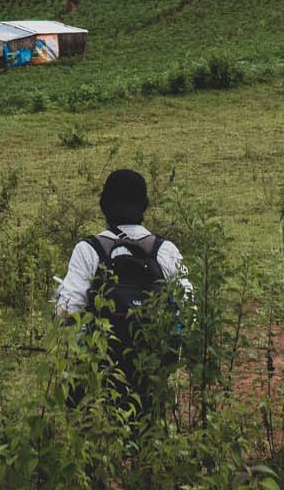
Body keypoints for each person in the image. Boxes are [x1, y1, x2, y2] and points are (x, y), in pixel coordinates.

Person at [55, 169, 191, 407]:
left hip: (97, 375)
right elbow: (188, 308)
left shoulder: (89, 250)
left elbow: (66, 311)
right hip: (151, 374)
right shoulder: (165, 250)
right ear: (144, 206)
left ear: (104, 206)